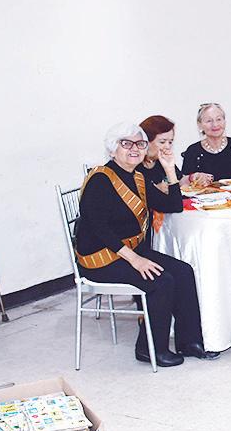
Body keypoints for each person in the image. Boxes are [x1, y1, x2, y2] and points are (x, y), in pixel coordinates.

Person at [76, 123, 215, 365]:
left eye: (140, 144)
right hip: (101, 258)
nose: (135, 149)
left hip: (130, 252)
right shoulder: (100, 179)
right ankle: (150, 349)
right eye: (126, 143)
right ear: (113, 149)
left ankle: (189, 342)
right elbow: (99, 230)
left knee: (183, 272)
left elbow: (172, 205)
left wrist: (170, 170)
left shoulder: (137, 177)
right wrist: (136, 260)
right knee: (161, 281)